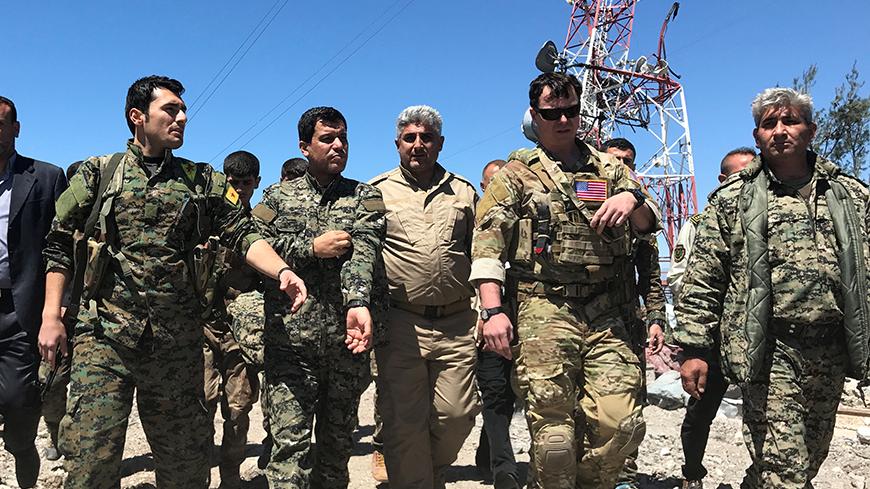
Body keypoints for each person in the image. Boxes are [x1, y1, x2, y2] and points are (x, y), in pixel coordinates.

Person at [37, 75, 306, 489]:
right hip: (105, 339)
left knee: (185, 467)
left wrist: (282, 270)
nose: (182, 117)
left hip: (176, 344)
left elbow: (244, 233)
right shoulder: (98, 174)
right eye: (171, 109)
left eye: (183, 110)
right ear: (137, 117)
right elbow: (58, 247)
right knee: (92, 461)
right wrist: (51, 317)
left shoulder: (201, 180)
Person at [471, 72, 660, 489]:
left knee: (621, 423)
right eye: (551, 112)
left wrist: (634, 198)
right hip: (543, 307)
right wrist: (493, 312)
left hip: (604, 309)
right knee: (555, 438)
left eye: (570, 111)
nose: (563, 120)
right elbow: (486, 250)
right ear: (535, 116)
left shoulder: (610, 169)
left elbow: (649, 228)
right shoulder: (515, 176)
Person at [675, 87, 870, 488]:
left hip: (831, 348)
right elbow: (704, 278)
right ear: (757, 136)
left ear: (811, 130)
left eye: (790, 121)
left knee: (809, 458)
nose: (780, 131)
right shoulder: (734, 199)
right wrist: (694, 349)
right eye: (769, 124)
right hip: (768, 349)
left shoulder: (851, 195)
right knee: (786, 471)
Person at [251, 106, 385, 488]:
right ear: (304, 146)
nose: (338, 145)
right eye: (327, 138)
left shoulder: (365, 196)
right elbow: (254, 246)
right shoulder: (276, 198)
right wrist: (311, 247)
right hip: (290, 347)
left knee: (335, 453)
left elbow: (364, 251)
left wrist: (357, 301)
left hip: (346, 348)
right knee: (289, 453)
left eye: (343, 138)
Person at [370, 105, 481, 489]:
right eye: (410, 138)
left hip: (457, 323)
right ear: (397, 144)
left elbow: (483, 254)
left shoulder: (465, 192)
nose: (418, 145)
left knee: (457, 414)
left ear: (440, 143)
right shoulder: (376, 192)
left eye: (426, 137)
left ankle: (427, 473)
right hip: (402, 323)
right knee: (404, 419)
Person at [668, 147, 753, 489]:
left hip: (759, 336)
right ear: (721, 181)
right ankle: (692, 474)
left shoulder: (771, 220)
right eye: (738, 175)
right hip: (714, 338)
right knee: (701, 411)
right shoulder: (701, 225)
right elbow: (679, 276)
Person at [0, 95, 67, 488]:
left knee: (19, 406)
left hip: (21, 311)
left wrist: (56, 313)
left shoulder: (45, 177)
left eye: (1, 123)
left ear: (15, 129)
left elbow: (62, 249)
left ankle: (23, 455)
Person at [601, 137, 667, 489]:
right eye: (615, 159)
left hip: (627, 321)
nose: (622, 166)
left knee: (629, 406)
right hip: (586, 317)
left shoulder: (642, 212)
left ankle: (624, 476)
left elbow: (651, 274)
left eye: (628, 160)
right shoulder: (586, 199)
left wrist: (656, 319)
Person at [203, 150, 263, 487]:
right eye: (234, 182)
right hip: (204, 327)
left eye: (246, 183)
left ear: (256, 182)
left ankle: (230, 478)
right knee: (202, 405)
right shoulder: (205, 219)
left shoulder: (260, 225)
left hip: (241, 335)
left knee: (238, 411)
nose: (239, 189)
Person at [473, 159, 520, 488]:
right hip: (487, 321)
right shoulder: (474, 224)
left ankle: (487, 452)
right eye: (492, 183)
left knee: (518, 396)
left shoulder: (528, 223)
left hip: (528, 322)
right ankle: (504, 467)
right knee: (495, 393)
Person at [37, 160, 83, 463]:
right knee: (50, 383)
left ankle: (79, 445)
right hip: (60, 318)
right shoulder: (60, 228)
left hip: (94, 318)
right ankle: (54, 433)